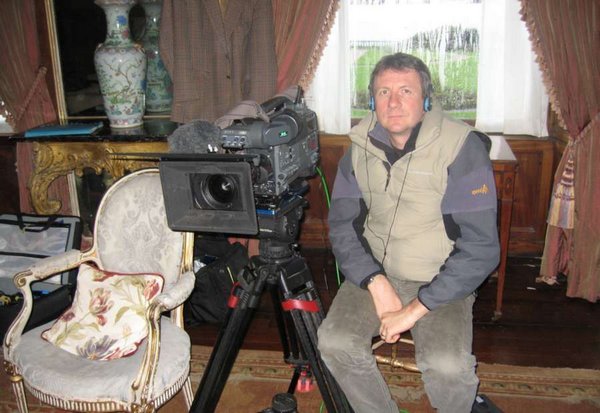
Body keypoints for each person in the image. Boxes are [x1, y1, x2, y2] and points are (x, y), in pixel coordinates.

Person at [317, 52, 500, 413]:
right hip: (374, 274)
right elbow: (342, 225)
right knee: (334, 342)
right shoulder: (358, 149)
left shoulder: (461, 147)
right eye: (383, 92)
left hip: (440, 279)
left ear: (426, 99)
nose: (393, 102)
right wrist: (375, 282)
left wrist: (415, 309)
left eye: (406, 91)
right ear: (372, 101)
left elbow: (480, 247)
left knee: (447, 366)